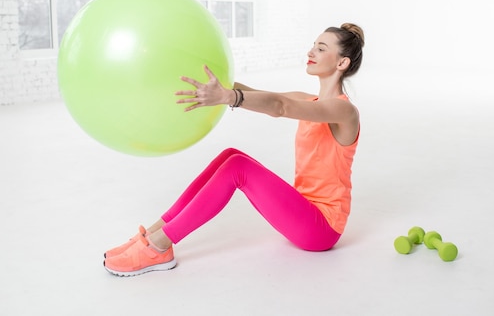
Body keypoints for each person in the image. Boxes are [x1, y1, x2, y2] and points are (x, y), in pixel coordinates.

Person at [103, 23, 365, 276]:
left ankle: (159, 247)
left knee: (239, 168)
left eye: (320, 48)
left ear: (342, 63)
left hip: (321, 229)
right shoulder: (310, 100)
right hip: (303, 210)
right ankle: (153, 234)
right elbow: (255, 92)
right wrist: (206, 74)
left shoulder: (343, 111)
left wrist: (230, 98)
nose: (310, 52)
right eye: (313, 46)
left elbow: (280, 106)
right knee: (230, 155)